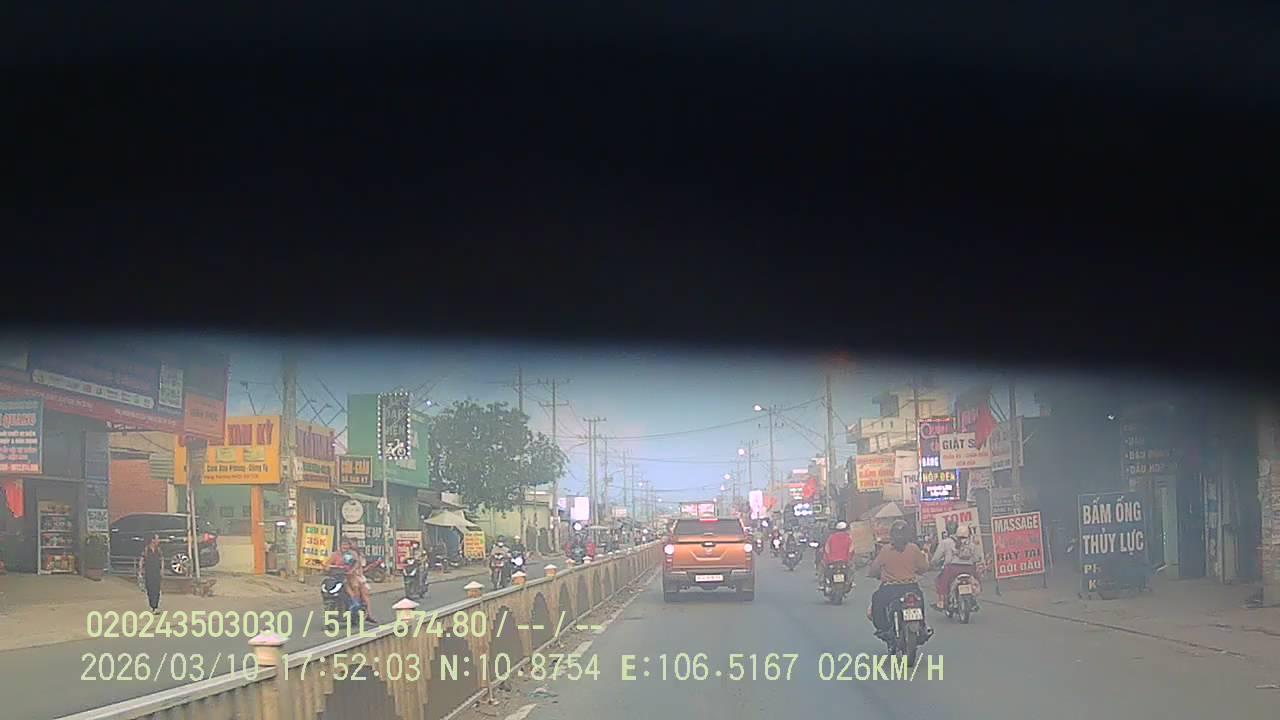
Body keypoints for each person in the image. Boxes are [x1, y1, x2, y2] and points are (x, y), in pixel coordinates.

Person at [867, 520, 932, 642]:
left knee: (877, 600)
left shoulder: (885, 550)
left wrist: (875, 574)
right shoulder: (913, 548)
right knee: (919, 600)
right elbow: (923, 567)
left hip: (890, 589)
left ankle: (883, 629)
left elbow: (874, 569)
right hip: (911, 586)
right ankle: (922, 625)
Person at [932, 524, 981, 610]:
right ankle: (974, 601)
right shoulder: (971, 543)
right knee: (976, 581)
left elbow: (937, 557)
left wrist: (933, 563)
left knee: (941, 581)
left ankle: (941, 602)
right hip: (969, 569)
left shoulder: (946, 542)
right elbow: (977, 558)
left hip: (952, 569)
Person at [819, 520, 854, 587]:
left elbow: (827, 549)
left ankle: (822, 583)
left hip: (831, 561)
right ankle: (851, 582)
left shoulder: (831, 537)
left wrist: (828, 558)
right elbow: (851, 549)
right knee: (851, 568)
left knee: (822, 568)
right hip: (845, 561)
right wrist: (849, 558)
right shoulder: (849, 538)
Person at [138, 533, 164, 614]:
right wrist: (140, 570)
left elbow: (161, 559)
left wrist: (162, 569)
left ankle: (156, 606)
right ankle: (152, 605)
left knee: (157, 589)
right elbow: (142, 559)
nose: (158, 541)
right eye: (157, 539)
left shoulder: (158, 550)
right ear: (152, 540)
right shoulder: (146, 549)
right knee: (150, 589)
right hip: (148, 572)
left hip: (156, 572)